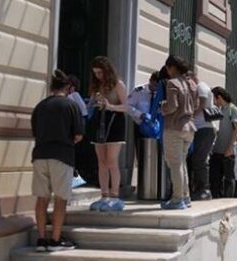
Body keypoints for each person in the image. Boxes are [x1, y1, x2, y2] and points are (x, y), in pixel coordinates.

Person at [31, 70, 84, 251]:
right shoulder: (71, 106)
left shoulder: (40, 106)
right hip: (62, 156)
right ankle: (54, 240)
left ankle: (40, 239)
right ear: (68, 88)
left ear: (51, 88)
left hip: (39, 155)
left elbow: (35, 132)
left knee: (41, 198)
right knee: (60, 199)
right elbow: (78, 135)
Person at [87, 56, 128, 212]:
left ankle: (115, 196)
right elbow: (91, 104)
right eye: (95, 73)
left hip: (115, 122)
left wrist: (110, 106)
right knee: (101, 161)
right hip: (99, 122)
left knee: (112, 160)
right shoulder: (97, 85)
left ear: (107, 71)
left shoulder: (118, 84)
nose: (98, 76)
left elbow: (126, 106)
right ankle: (104, 195)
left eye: (100, 72)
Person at [159, 56, 198, 209]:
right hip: (189, 127)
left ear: (172, 67)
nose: (167, 71)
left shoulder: (172, 83)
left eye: (168, 68)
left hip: (174, 127)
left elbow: (172, 106)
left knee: (175, 164)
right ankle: (185, 196)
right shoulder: (192, 84)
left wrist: (162, 106)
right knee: (181, 163)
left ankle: (177, 199)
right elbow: (196, 105)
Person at [188, 72, 216, 200]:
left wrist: (187, 115)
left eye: (188, 80)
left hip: (204, 129)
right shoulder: (197, 88)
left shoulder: (201, 87)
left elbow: (201, 105)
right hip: (198, 129)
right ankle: (198, 188)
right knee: (196, 159)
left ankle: (204, 189)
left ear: (193, 78)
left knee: (200, 160)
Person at [209, 87, 237, 198]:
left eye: (214, 98)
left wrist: (230, 147)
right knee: (215, 178)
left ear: (219, 97)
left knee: (228, 178)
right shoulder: (220, 110)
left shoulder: (233, 109)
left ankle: (228, 201)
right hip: (217, 150)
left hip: (227, 152)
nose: (213, 101)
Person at [128, 72, 160, 177]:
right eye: (155, 85)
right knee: (141, 156)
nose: (155, 88)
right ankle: (143, 179)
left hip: (155, 129)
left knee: (156, 156)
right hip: (140, 127)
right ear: (150, 81)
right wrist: (140, 114)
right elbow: (128, 106)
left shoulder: (160, 94)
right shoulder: (139, 91)